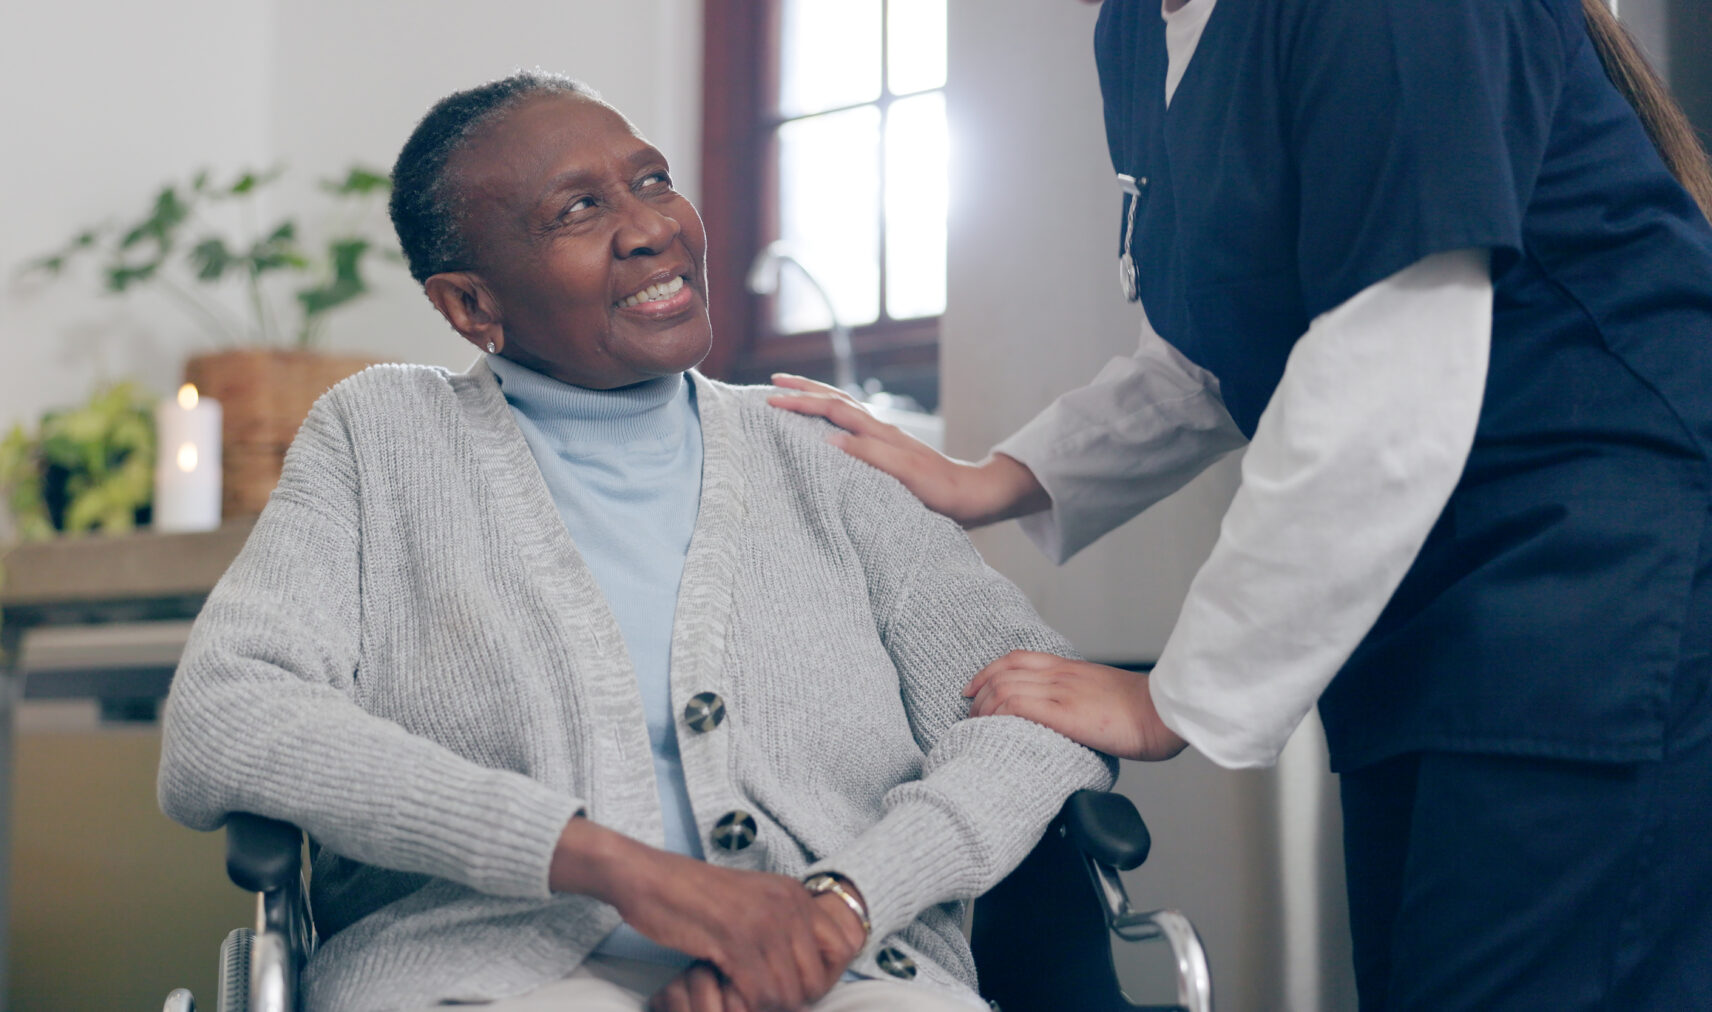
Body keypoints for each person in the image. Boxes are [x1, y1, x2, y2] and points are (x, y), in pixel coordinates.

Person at [772, 1, 1712, 1008]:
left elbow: (1388, 367)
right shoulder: (1138, 30)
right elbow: (1217, 341)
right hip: (1429, 612)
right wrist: (991, 478)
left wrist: (1167, 698)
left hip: (1596, 582)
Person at [156, 72, 1115, 1012]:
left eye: (652, 180)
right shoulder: (383, 437)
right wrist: (617, 867)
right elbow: (228, 716)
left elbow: (1038, 713)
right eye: (578, 209)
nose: (653, 226)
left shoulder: (821, 445)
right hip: (485, 976)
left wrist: (841, 907)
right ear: (470, 307)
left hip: (844, 975)